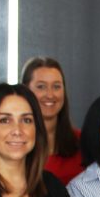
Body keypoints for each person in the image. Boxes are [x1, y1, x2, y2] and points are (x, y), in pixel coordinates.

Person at [21, 56, 83, 185]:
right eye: (41, 86)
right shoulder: (15, 143)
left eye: (56, 86)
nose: (50, 95)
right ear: (25, 91)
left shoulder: (82, 142)